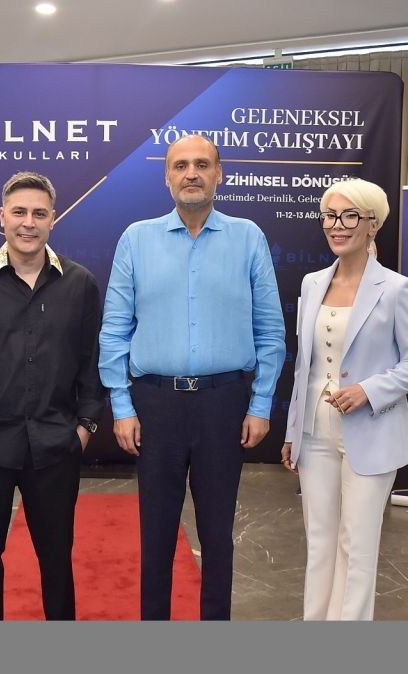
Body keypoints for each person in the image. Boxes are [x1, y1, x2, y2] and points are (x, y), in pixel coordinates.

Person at [100, 133, 285, 620]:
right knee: (156, 533)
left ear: (219, 174)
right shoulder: (136, 239)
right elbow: (114, 330)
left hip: (224, 404)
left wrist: (261, 403)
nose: (191, 174)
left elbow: (270, 330)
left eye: (202, 164)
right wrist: (121, 405)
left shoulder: (248, 237)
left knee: (218, 535)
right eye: (180, 165)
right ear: (166, 176)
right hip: (154, 406)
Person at [0, 171, 102, 629]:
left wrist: (84, 428)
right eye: (20, 212)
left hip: (55, 446)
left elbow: (92, 362)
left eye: (39, 213)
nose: (29, 222)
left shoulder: (80, 284)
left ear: (53, 219)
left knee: (57, 561)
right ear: (1, 216)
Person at [279, 179, 408, 621]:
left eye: (349, 216)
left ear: (372, 224)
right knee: (320, 540)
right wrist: (293, 431)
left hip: (372, 431)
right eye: (330, 216)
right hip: (315, 432)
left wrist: (369, 390)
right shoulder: (312, 283)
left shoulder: (396, 288)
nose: (337, 225)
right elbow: (304, 366)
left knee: (357, 545)